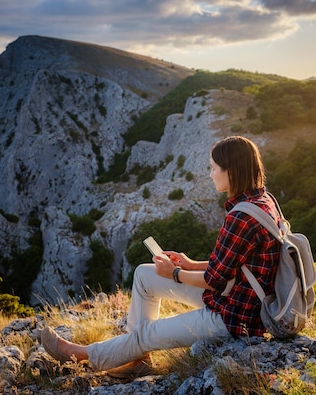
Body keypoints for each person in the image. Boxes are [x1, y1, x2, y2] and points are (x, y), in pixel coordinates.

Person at [41, 135, 282, 378]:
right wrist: (189, 264)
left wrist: (176, 274)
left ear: (231, 171)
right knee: (145, 274)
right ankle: (138, 360)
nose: (211, 174)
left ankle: (86, 355)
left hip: (235, 315)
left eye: (213, 168)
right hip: (236, 294)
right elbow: (234, 265)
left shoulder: (241, 217)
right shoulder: (263, 201)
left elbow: (214, 280)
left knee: (147, 333)